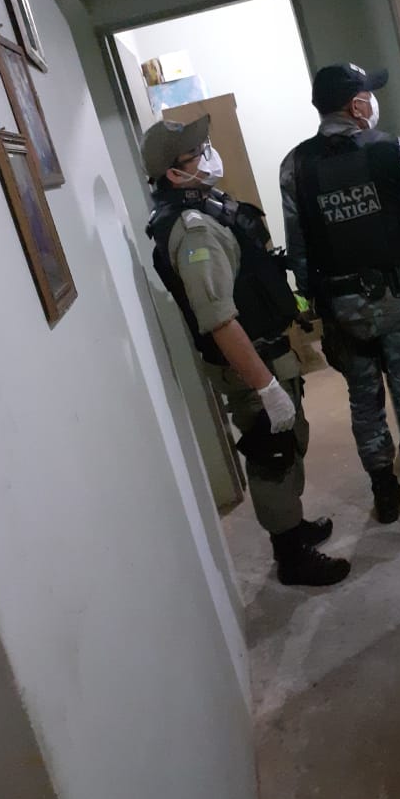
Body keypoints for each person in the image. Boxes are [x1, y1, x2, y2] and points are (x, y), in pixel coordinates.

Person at [141, 114, 350, 586]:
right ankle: (291, 556)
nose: (208, 155)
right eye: (197, 153)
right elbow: (218, 320)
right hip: (250, 365)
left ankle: (292, 526)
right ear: (174, 173)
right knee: (273, 456)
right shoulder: (194, 231)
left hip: (267, 353)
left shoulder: (208, 208)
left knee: (289, 445)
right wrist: (266, 387)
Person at [280, 62, 400, 541]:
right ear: (357, 105)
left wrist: (317, 305)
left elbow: (298, 248)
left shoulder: (295, 166)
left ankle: (385, 495)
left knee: (364, 404)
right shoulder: (391, 149)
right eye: (368, 95)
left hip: (342, 309)